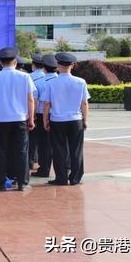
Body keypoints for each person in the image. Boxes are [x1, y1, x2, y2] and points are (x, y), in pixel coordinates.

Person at [0, 47, 36, 191]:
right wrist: (31, 119)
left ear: (0, 63)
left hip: (0, 119)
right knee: (21, 151)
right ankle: (22, 183)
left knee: (0, 151)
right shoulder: (25, 77)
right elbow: (30, 99)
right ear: (15, 61)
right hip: (20, 118)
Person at [42, 52, 90, 186]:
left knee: (59, 150)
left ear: (58, 65)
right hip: (75, 119)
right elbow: (84, 103)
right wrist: (85, 120)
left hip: (57, 120)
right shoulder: (81, 82)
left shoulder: (52, 83)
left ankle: (61, 178)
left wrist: (45, 120)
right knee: (76, 149)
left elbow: (47, 104)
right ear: (73, 65)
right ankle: (75, 178)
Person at [31, 55, 58, 178]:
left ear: (44, 68)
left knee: (44, 144)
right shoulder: (60, 80)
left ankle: (44, 169)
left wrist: (33, 116)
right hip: (59, 115)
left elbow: (34, 101)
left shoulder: (38, 82)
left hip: (43, 114)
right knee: (60, 144)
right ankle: (64, 169)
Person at [28, 53, 45, 169]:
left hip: (36, 112)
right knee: (45, 140)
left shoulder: (29, 77)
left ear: (33, 65)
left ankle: (30, 161)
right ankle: (41, 161)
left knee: (32, 139)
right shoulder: (49, 77)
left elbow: (33, 100)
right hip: (49, 113)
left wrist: (31, 116)